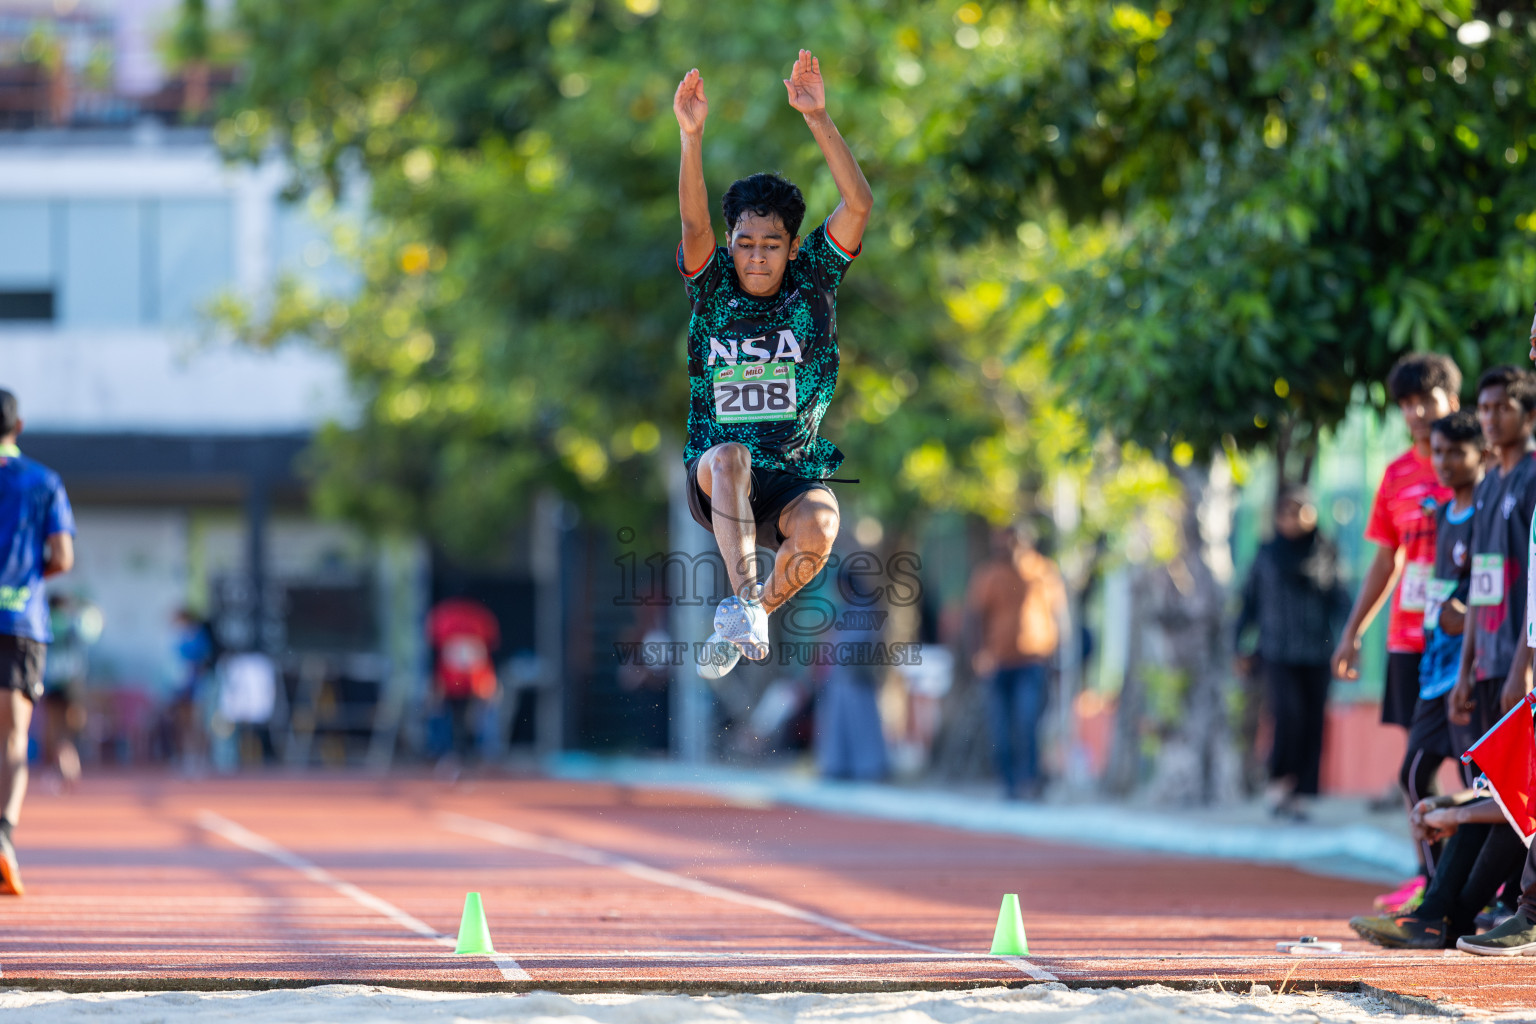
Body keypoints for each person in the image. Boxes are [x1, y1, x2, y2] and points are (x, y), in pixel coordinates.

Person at [673, 50, 873, 679]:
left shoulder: (814, 278)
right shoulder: (712, 285)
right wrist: (692, 135)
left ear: (792, 247)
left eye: (771, 246)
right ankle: (740, 599)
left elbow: (860, 203)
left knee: (821, 524)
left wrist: (819, 118)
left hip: (791, 470)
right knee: (732, 454)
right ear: (730, 245)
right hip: (720, 473)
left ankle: (748, 614)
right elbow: (693, 219)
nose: (756, 259)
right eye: (745, 245)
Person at [1331, 352, 1458, 907]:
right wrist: (1353, 630)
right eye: (1406, 405)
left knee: (1476, 762)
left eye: (1426, 401)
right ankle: (1429, 875)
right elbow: (1385, 562)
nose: (1416, 413)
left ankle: (1482, 883)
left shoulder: (1477, 467)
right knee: (1417, 765)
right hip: (1410, 640)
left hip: (1469, 639)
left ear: (1452, 400)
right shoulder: (1396, 475)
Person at [1399, 411, 1485, 874]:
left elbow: (1506, 587)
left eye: (1457, 451)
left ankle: (1492, 893)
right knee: (1413, 774)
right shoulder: (1443, 513)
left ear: (1482, 454)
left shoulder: (1489, 511)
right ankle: (1435, 888)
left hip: (1474, 668)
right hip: (1436, 670)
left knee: (1481, 784)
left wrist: (1469, 615)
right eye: (1439, 451)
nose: (1445, 461)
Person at [1234, 485, 1349, 821]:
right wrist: (1239, 644)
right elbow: (1248, 602)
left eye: (1301, 510)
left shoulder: (1326, 551)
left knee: (1313, 720)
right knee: (1288, 715)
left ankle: (1302, 792)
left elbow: (1341, 598)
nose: (1293, 518)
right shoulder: (1267, 554)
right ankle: (1279, 782)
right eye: (1286, 511)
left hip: (1317, 651)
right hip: (1277, 651)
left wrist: (1350, 637)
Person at [0, 389, 75, 895]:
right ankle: (3, 834)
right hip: (20, 621)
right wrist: (29, 576)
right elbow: (63, 557)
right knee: (12, 736)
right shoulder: (44, 481)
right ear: (18, 425)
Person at [965, 524, 1066, 800]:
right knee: (1000, 726)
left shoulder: (1043, 572)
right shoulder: (989, 575)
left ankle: (1029, 780)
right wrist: (978, 653)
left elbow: (1057, 615)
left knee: (1028, 721)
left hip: (1033, 660)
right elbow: (975, 617)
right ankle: (1009, 784)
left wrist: (1057, 656)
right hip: (998, 662)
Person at [427, 596, 501, 765]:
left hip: (477, 680)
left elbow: (485, 656)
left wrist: (489, 685)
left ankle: (486, 751)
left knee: (490, 705)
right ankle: (441, 749)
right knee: (435, 704)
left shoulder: (480, 619)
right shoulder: (444, 618)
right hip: (449, 681)